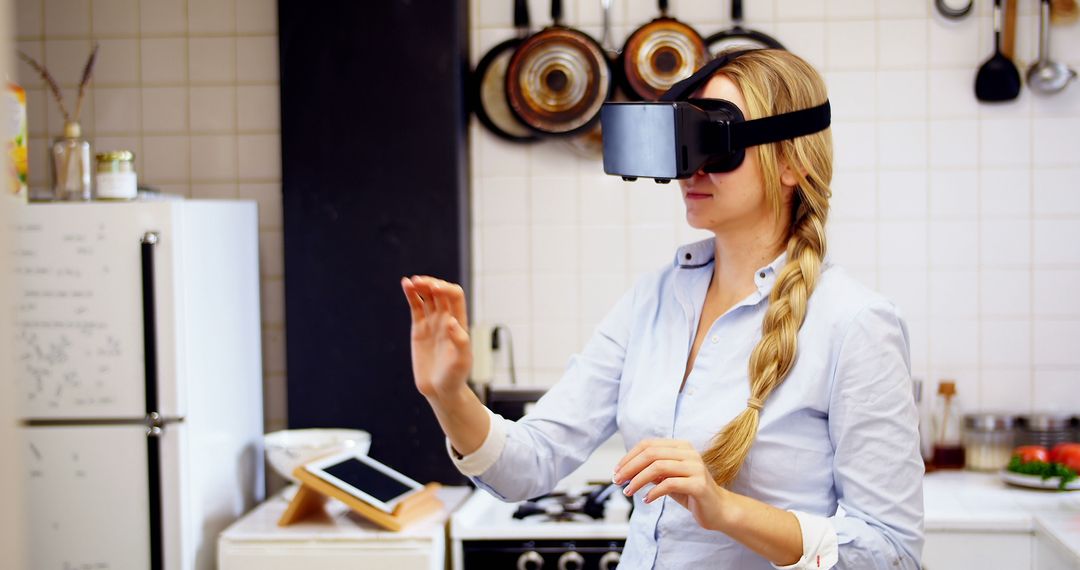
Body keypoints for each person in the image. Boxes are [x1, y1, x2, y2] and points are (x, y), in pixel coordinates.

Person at [400, 49, 923, 570]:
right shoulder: (654, 301)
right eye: (683, 142)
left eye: (713, 142)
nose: (689, 170)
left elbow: (891, 553)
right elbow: (528, 465)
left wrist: (726, 510)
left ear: (790, 162)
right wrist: (449, 395)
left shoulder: (855, 324)